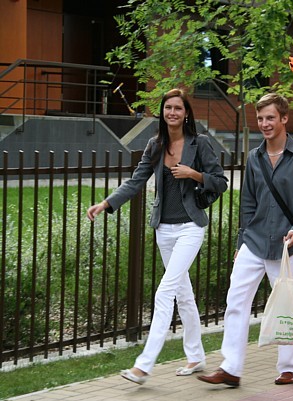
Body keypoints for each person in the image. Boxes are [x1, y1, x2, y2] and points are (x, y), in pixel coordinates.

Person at [86, 88, 228, 384]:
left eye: (178, 108)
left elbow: (220, 182)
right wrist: (106, 203)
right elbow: (136, 181)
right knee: (182, 294)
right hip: (164, 229)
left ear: (186, 113)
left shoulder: (199, 144)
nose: (172, 112)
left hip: (190, 227)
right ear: (162, 113)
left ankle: (143, 365)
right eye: (168, 108)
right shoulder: (155, 145)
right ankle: (196, 356)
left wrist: (194, 175)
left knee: (164, 292)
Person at [197, 93, 293, 387]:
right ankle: (231, 368)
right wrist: (241, 244)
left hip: (286, 245)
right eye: (261, 118)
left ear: (284, 119)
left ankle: (292, 367)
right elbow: (248, 205)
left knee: (288, 305)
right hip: (253, 241)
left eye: (270, 118)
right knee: (235, 301)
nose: (264, 124)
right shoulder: (254, 158)